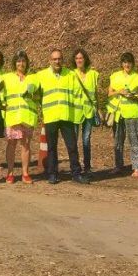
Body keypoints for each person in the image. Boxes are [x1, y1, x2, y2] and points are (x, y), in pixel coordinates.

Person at [36, 48, 87, 185]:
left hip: (66, 116)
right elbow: (31, 88)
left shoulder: (70, 75)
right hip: (51, 116)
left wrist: (77, 115)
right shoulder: (41, 75)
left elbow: (77, 95)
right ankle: (52, 174)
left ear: (62, 60)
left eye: (59, 59)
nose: (57, 61)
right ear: (49, 60)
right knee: (51, 147)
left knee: (72, 146)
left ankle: (76, 173)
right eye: (54, 59)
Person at [0, 51, 38, 184]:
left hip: (27, 117)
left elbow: (38, 96)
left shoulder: (33, 78)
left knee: (26, 144)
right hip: (12, 116)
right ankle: (10, 173)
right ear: (14, 63)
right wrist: (1, 106)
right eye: (18, 61)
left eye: (23, 61)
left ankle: (25, 173)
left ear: (27, 62)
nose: (21, 63)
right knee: (11, 144)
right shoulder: (7, 77)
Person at [108, 52, 138, 177]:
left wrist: (133, 96)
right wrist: (119, 91)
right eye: (124, 62)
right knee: (118, 141)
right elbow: (109, 93)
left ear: (133, 63)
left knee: (134, 140)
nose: (127, 65)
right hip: (118, 113)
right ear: (121, 64)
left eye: (129, 62)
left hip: (132, 113)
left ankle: (137, 168)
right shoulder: (115, 76)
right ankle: (118, 166)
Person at [72, 48, 101, 175]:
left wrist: (98, 109)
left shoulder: (93, 74)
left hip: (89, 111)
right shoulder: (70, 74)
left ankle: (87, 167)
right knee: (73, 140)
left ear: (85, 59)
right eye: (77, 58)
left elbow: (96, 94)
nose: (79, 60)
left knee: (86, 140)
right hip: (75, 112)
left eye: (81, 58)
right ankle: (75, 166)